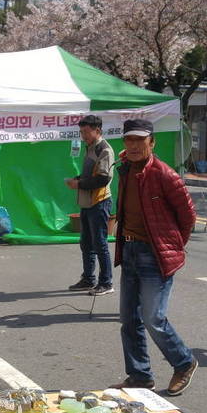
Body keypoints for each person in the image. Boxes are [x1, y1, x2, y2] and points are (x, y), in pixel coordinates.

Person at [108, 119, 199, 396]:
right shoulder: (125, 170)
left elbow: (188, 216)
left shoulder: (164, 174)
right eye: (129, 140)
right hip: (131, 249)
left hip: (154, 254)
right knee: (129, 319)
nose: (134, 145)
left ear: (152, 142)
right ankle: (139, 376)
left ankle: (184, 362)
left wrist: (170, 246)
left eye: (140, 140)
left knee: (153, 318)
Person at [65, 115, 116, 296]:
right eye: (81, 132)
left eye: (87, 132)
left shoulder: (105, 149)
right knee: (86, 243)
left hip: (99, 202)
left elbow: (103, 179)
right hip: (87, 203)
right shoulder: (90, 147)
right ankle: (88, 279)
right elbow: (90, 175)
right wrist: (78, 179)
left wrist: (78, 184)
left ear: (98, 130)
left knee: (100, 243)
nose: (83, 135)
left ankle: (106, 282)